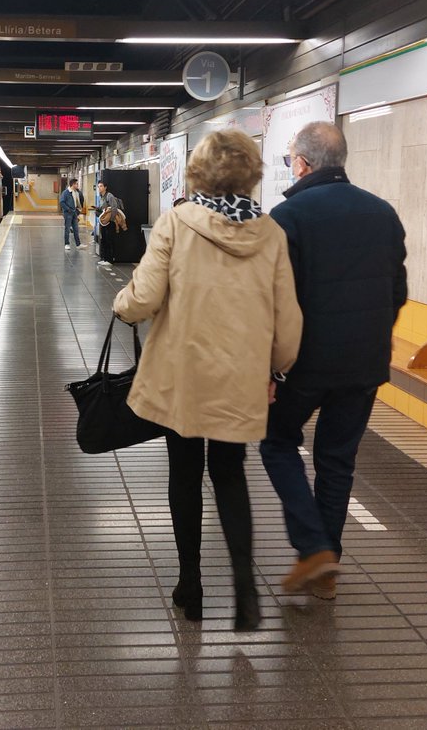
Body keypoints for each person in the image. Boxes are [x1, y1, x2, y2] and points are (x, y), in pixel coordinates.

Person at [113, 130, 303, 631]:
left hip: (184, 375)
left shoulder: (177, 222)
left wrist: (122, 304)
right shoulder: (271, 233)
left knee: (184, 475)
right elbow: (289, 323)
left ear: (197, 172)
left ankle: (191, 585)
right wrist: (275, 371)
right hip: (240, 379)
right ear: (250, 172)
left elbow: (145, 296)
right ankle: (244, 587)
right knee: (229, 474)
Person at [260, 121, 407, 600]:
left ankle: (313, 545)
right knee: (337, 461)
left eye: (289, 160)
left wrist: (267, 369)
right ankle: (326, 567)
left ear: (302, 163)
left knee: (277, 439)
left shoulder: (288, 217)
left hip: (306, 364)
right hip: (365, 363)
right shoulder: (383, 214)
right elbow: (397, 291)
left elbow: (273, 303)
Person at [93, 180, 120, 265]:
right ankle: (104, 258)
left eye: (101, 186)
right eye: (98, 186)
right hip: (103, 222)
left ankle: (109, 260)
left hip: (109, 222)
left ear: (105, 187)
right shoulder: (101, 197)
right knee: (104, 239)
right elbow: (102, 208)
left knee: (109, 240)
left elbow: (114, 208)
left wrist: (110, 219)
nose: (99, 188)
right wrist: (97, 209)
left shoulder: (109, 196)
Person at [58, 178, 85, 250]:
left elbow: (79, 201)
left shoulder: (76, 192)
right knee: (67, 229)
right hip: (68, 214)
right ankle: (66, 244)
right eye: (76, 184)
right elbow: (62, 202)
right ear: (73, 184)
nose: (77, 185)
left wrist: (78, 210)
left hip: (74, 213)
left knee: (76, 229)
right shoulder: (66, 192)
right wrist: (68, 209)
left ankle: (78, 244)